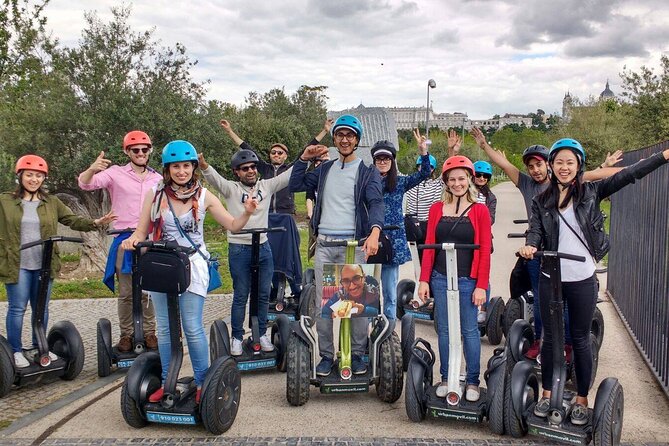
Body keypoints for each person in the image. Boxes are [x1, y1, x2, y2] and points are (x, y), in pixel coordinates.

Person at [519, 139, 669, 425]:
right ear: (551, 165)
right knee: (549, 337)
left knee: (579, 339)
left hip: (582, 277)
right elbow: (535, 231)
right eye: (559, 162)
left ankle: (582, 397)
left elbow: (629, 174)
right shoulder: (541, 200)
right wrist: (529, 245)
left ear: (578, 166)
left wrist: (663, 156)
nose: (564, 167)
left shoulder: (591, 191)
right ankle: (547, 392)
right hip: (551, 277)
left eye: (570, 162)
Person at [469, 127, 623, 359]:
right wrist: (484, 146)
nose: (535, 170)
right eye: (531, 167)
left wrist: (611, 166)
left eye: (539, 165)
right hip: (538, 252)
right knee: (540, 300)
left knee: (567, 302)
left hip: (565, 252)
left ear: (548, 165)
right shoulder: (527, 184)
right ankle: (541, 341)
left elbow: (591, 175)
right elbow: (505, 165)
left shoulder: (565, 180)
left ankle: (569, 344)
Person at [121, 140, 256, 403]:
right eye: (175, 167)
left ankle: (204, 382)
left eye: (186, 166)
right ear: (167, 169)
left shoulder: (204, 196)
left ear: (193, 168)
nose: (181, 171)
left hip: (192, 265)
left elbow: (233, 225)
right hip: (161, 265)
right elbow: (141, 231)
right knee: (164, 328)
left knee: (192, 326)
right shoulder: (155, 194)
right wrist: (132, 240)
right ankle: (165, 381)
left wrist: (247, 213)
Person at [197, 146, 325, 356]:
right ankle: (237, 336)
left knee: (264, 293)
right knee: (241, 294)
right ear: (237, 172)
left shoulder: (265, 186)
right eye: (244, 168)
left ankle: (262, 334)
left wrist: (303, 158)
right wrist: (204, 166)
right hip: (239, 247)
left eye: (253, 167)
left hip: (263, 247)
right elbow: (214, 179)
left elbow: (287, 177)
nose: (250, 171)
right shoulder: (231, 189)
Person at [289, 114, 384, 377]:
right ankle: (327, 355)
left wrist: (375, 232)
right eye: (340, 135)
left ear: (357, 140)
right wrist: (303, 158)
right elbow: (295, 184)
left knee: (356, 303)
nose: (344, 139)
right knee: (327, 305)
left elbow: (376, 203)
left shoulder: (367, 172)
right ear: (335, 139)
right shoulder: (325, 169)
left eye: (350, 136)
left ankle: (355, 354)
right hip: (327, 244)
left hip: (353, 244)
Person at [1, 155, 116, 368]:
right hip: (17, 263)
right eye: (29, 175)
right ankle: (15, 351)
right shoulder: (5, 201)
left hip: (44, 264)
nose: (33, 179)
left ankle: (39, 347)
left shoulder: (51, 202)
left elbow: (71, 220)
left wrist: (95, 222)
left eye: (38, 175)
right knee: (17, 308)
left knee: (41, 308)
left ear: (43, 178)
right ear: (20, 176)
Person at [78, 130, 162, 352]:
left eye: (145, 149)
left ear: (150, 151)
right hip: (124, 237)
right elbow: (85, 184)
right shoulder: (115, 173)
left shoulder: (158, 178)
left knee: (148, 290)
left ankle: (150, 332)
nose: (141, 153)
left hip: (149, 239)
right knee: (126, 291)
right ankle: (127, 334)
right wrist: (91, 170)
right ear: (127, 151)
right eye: (136, 150)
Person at [417, 155, 492, 402]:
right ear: (446, 182)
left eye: (462, 178)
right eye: (452, 179)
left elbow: (483, 251)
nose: (457, 183)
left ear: (469, 179)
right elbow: (429, 247)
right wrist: (424, 279)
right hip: (440, 277)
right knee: (446, 331)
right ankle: (447, 377)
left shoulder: (480, 210)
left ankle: (472, 381)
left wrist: (481, 285)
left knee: (470, 330)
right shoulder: (436, 209)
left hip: (467, 279)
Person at [370, 132, 430, 320]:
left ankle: (388, 327)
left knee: (389, 289)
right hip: (371, 237)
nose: (382, 161)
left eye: (386, 158)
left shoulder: (400, 182)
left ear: (392, 161)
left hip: (393, 239)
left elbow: (424, 174)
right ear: (374, 161)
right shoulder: (367, 181)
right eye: (378, 158)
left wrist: (423, 153)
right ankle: (368, 327)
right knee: (369, 289)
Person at [219, 118, 333, 215]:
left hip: (286, 213)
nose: (276, 155)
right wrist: (229, 131)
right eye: (273, 152)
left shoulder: (290, 169)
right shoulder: (264, 168)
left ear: (285, 156)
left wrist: (324, 131)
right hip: (266, 213)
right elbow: (247, 148)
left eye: (280, 153)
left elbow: (306, 150)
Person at [472, 160, 497, 324]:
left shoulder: (490, 197)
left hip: (483, 240)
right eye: (478, 175)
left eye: (485, 176)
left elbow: (491, 219)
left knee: (483, 275)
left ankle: (483, 309)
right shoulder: (466, 192)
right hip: (466, 240)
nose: (481, 178)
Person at [306, 153, 330, 260]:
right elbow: (309, 198)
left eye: (322, 162)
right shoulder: (312, 179)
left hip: (330, 214)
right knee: (315, 241)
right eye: (317, 162)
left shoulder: (331, 178)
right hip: (318, 214)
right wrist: (310, 214)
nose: (319, 165)